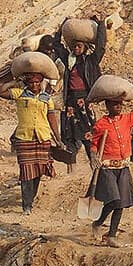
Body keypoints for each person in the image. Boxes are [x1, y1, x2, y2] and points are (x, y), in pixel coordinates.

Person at [87, 97, 133, 246]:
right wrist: (93, 156)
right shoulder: (101, 124)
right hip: (107, 168)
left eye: (120, 104)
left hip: (123, 167)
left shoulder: (127, 119)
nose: (118, 107)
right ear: (107, 105)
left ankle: (111, 236)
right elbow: (94, 144)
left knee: (121, 203)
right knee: (114, 200)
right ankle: (98, 222)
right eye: (114, 104)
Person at [9, 71, 62, 215]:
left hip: (42, 137)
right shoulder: (19, 94)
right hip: (24, 138)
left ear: (41, 83)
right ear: (27, 83)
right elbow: (0, 91)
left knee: (38, 170)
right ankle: (26, 205)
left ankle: (31, 199)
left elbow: (52, 119)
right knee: (26, 171)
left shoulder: (46, 98)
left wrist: (57, 138)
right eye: (31, 82)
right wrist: (13, 80)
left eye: (37, 82)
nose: (34, 85)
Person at [55, 36, 103, 169]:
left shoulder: (89, 61)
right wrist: (60, 30)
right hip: (70, 101)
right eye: (75, 46)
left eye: (79, 46)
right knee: (69, 131)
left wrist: (100, 25)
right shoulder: (69, 60)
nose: (76, 48)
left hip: (84, 101)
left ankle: (94, 161)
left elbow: (101, 48)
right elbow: (57, 45)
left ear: (85, 47)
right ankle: (71, 163)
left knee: (89, 132)